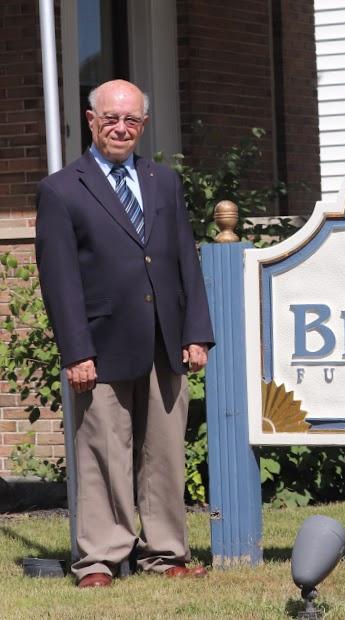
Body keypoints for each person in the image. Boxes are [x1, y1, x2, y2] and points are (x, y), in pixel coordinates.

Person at [35, 80, 215, 587]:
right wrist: (76, 350)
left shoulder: (164, 181)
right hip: (100, 343)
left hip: (165, 339)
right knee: (103, 454)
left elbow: (184, 259)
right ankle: (99, 559)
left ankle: (165, 553)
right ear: (91, 121)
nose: (120, 127)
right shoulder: (61, 189)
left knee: (165, 453)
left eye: (130, 119)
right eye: (111, 118)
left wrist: (196, 332)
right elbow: (59, 279)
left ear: (143, 125)